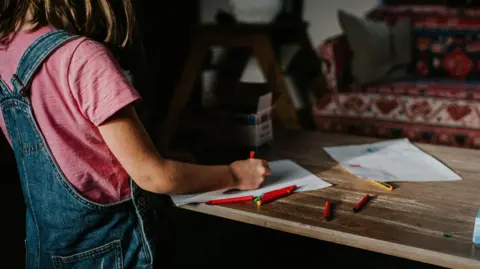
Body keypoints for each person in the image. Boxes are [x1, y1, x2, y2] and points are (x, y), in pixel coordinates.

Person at [0, 1, 271, 268]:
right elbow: (154, 176)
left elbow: (54, 156)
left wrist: (142, 154)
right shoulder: (82, 56)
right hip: (110, 251)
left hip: (45, 250)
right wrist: (236, 174)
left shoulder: (5, 52)